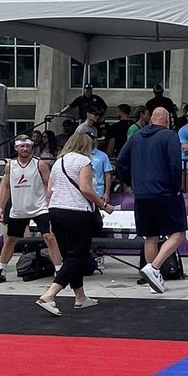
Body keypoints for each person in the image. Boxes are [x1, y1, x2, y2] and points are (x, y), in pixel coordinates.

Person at [34, 133, 112, 316]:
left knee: (70, 256)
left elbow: (49, 192)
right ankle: (49, 295)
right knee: (77, 256)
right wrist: (104, 205)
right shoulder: (83, 161)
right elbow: (86, 188)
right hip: (76, 212)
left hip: (55, 211)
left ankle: (80, 297)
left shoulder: (58, 163)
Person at [115, 106, 187, 295]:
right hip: (165, 192)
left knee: (150, 237)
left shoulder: (137, 136)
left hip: (142, 194)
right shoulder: (170, 136)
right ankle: (154, 268)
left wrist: (130, 182)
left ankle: (154, 278)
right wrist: (176, 186)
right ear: (165, 119)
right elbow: (174, 163)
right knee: (178, 233)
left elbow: (121, 160)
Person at [0, 135, 62, 283]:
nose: (25, 149)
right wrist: (1, 206)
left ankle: (59, 270)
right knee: (10, 240)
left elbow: (50, 185)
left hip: (39, 207)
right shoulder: (10, 166)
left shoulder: (40, 164)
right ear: (16, 148)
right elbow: (5, 186)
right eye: (22, 146)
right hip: (18, 208)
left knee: (49, 237)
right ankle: (1, 270)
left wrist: (51, 203)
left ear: (32, 147)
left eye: (28, 146)